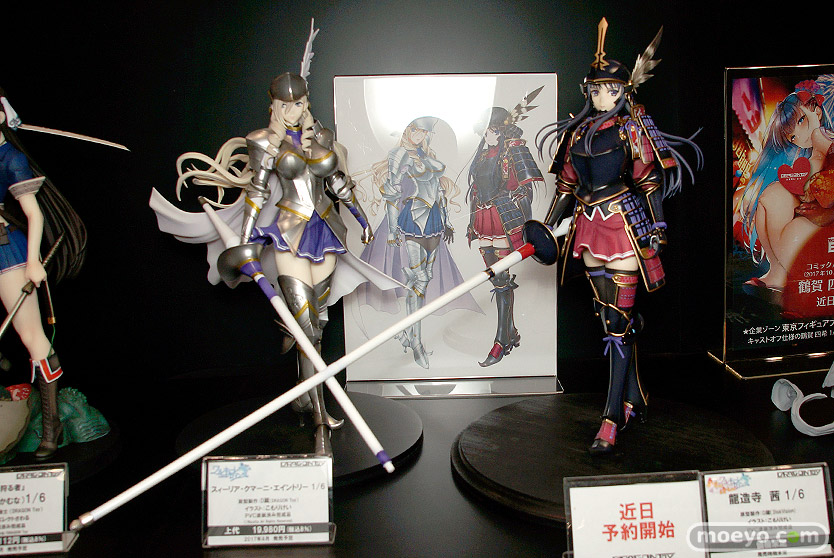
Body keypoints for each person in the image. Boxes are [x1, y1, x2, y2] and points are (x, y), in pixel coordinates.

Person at [536, 19, 701, 454]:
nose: (600, 96)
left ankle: (611, 418)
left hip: (625, 226)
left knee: (615, 324)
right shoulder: (575, 132)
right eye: (594, 89)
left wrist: (659, 226)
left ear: (623, 91)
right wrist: (546, 230)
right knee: (610, 322)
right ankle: (633, 397)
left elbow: (648, 180)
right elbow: (566, 185)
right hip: (588, 226)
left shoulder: (633, 129)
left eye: (609, 89)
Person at [0, 89, 87, 458]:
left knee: (33, 337)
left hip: (7, 252)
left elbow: (33, 213)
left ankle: (51, 426)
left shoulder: (10, 157)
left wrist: (34, 261)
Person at [357, 117, 472, 368]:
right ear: (407, 131)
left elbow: (438, 192)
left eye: (423, 132)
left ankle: (409, 333)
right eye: (416, 131)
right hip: (410, 220)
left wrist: (447, 221)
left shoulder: (427, 157)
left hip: (434, 222)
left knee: (424, 280)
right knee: (418, 279)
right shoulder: (398, 155)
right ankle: (417, 342)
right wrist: (391, 229)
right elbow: (391, 193)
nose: (419, 136)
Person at [740, 77, 834, 295]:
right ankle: (778, 273)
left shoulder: (827, 142)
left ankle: (791, 275)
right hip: (814, 216)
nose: (796, 138)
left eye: (800, 121)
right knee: (769, 198)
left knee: (779, 202)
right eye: (791, 136)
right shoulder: (809, 154)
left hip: (824, 225)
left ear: (818, 112)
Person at [467, 102, 544, 366]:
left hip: (502, 218)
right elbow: (476, 189)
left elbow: (524, 189)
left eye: (492, 130)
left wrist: (528, 226)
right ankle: (509, 332)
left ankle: (501, 339)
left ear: (501, 131)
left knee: (501, 278)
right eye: (485, 130)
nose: (487, 134)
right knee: (497, 279)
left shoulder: (512, 151)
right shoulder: (481, 155)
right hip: (483, 219)